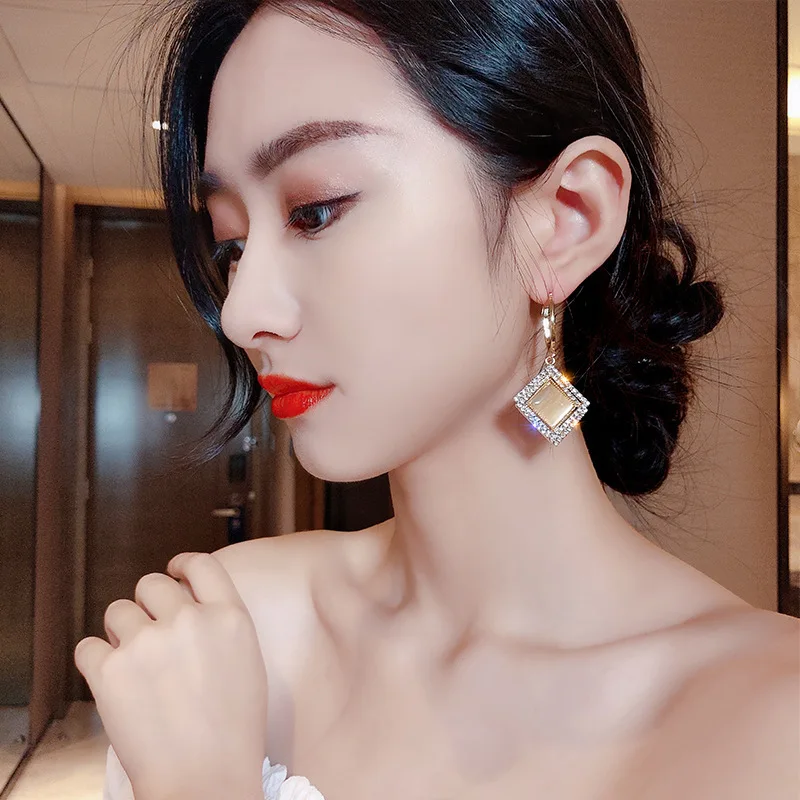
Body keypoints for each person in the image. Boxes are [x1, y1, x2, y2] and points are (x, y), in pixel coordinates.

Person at [74, 1, 800, 798]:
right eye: (232, 245)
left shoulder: (773, 719)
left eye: (315, 211)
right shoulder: (233, 624)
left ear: (567, 220)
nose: (244, 313)